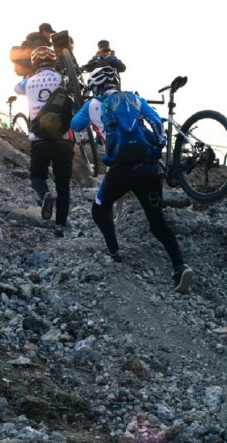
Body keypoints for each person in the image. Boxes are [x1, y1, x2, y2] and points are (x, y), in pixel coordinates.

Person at [70, 67, 194, 294]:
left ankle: (114, 254)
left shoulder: (93, 105)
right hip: (148, 168)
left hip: (119, 171)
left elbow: (75, 126)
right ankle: (180, 266)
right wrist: (157, 145)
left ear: (95, 86)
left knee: (99, 209)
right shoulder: (135, 99)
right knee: (158, 224)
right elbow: (156, 122)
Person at [14, 43, 74, 237]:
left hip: (38, 139)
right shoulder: (61, 78)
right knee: (63, 184)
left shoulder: (29, 82)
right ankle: (60, 226)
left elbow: (16, 88)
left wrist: (29, 76)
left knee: (37, 177)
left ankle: (45, 194)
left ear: (35, 63)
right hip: (63, 138)